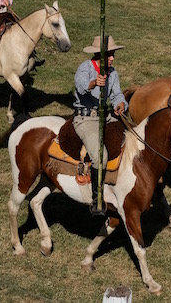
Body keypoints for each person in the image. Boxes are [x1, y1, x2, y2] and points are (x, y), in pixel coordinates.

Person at [72, 35, 127, 215]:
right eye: (109, 55)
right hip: (86, 118)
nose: (112, 58)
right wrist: (95, 82)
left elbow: (117, 94)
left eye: (113, 54)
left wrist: (121, 104)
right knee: (100, 157)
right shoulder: (85, 67)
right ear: (99, 55)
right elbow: (80, 86)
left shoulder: (113, 73)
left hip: (107, 116)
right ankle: (97, 199)